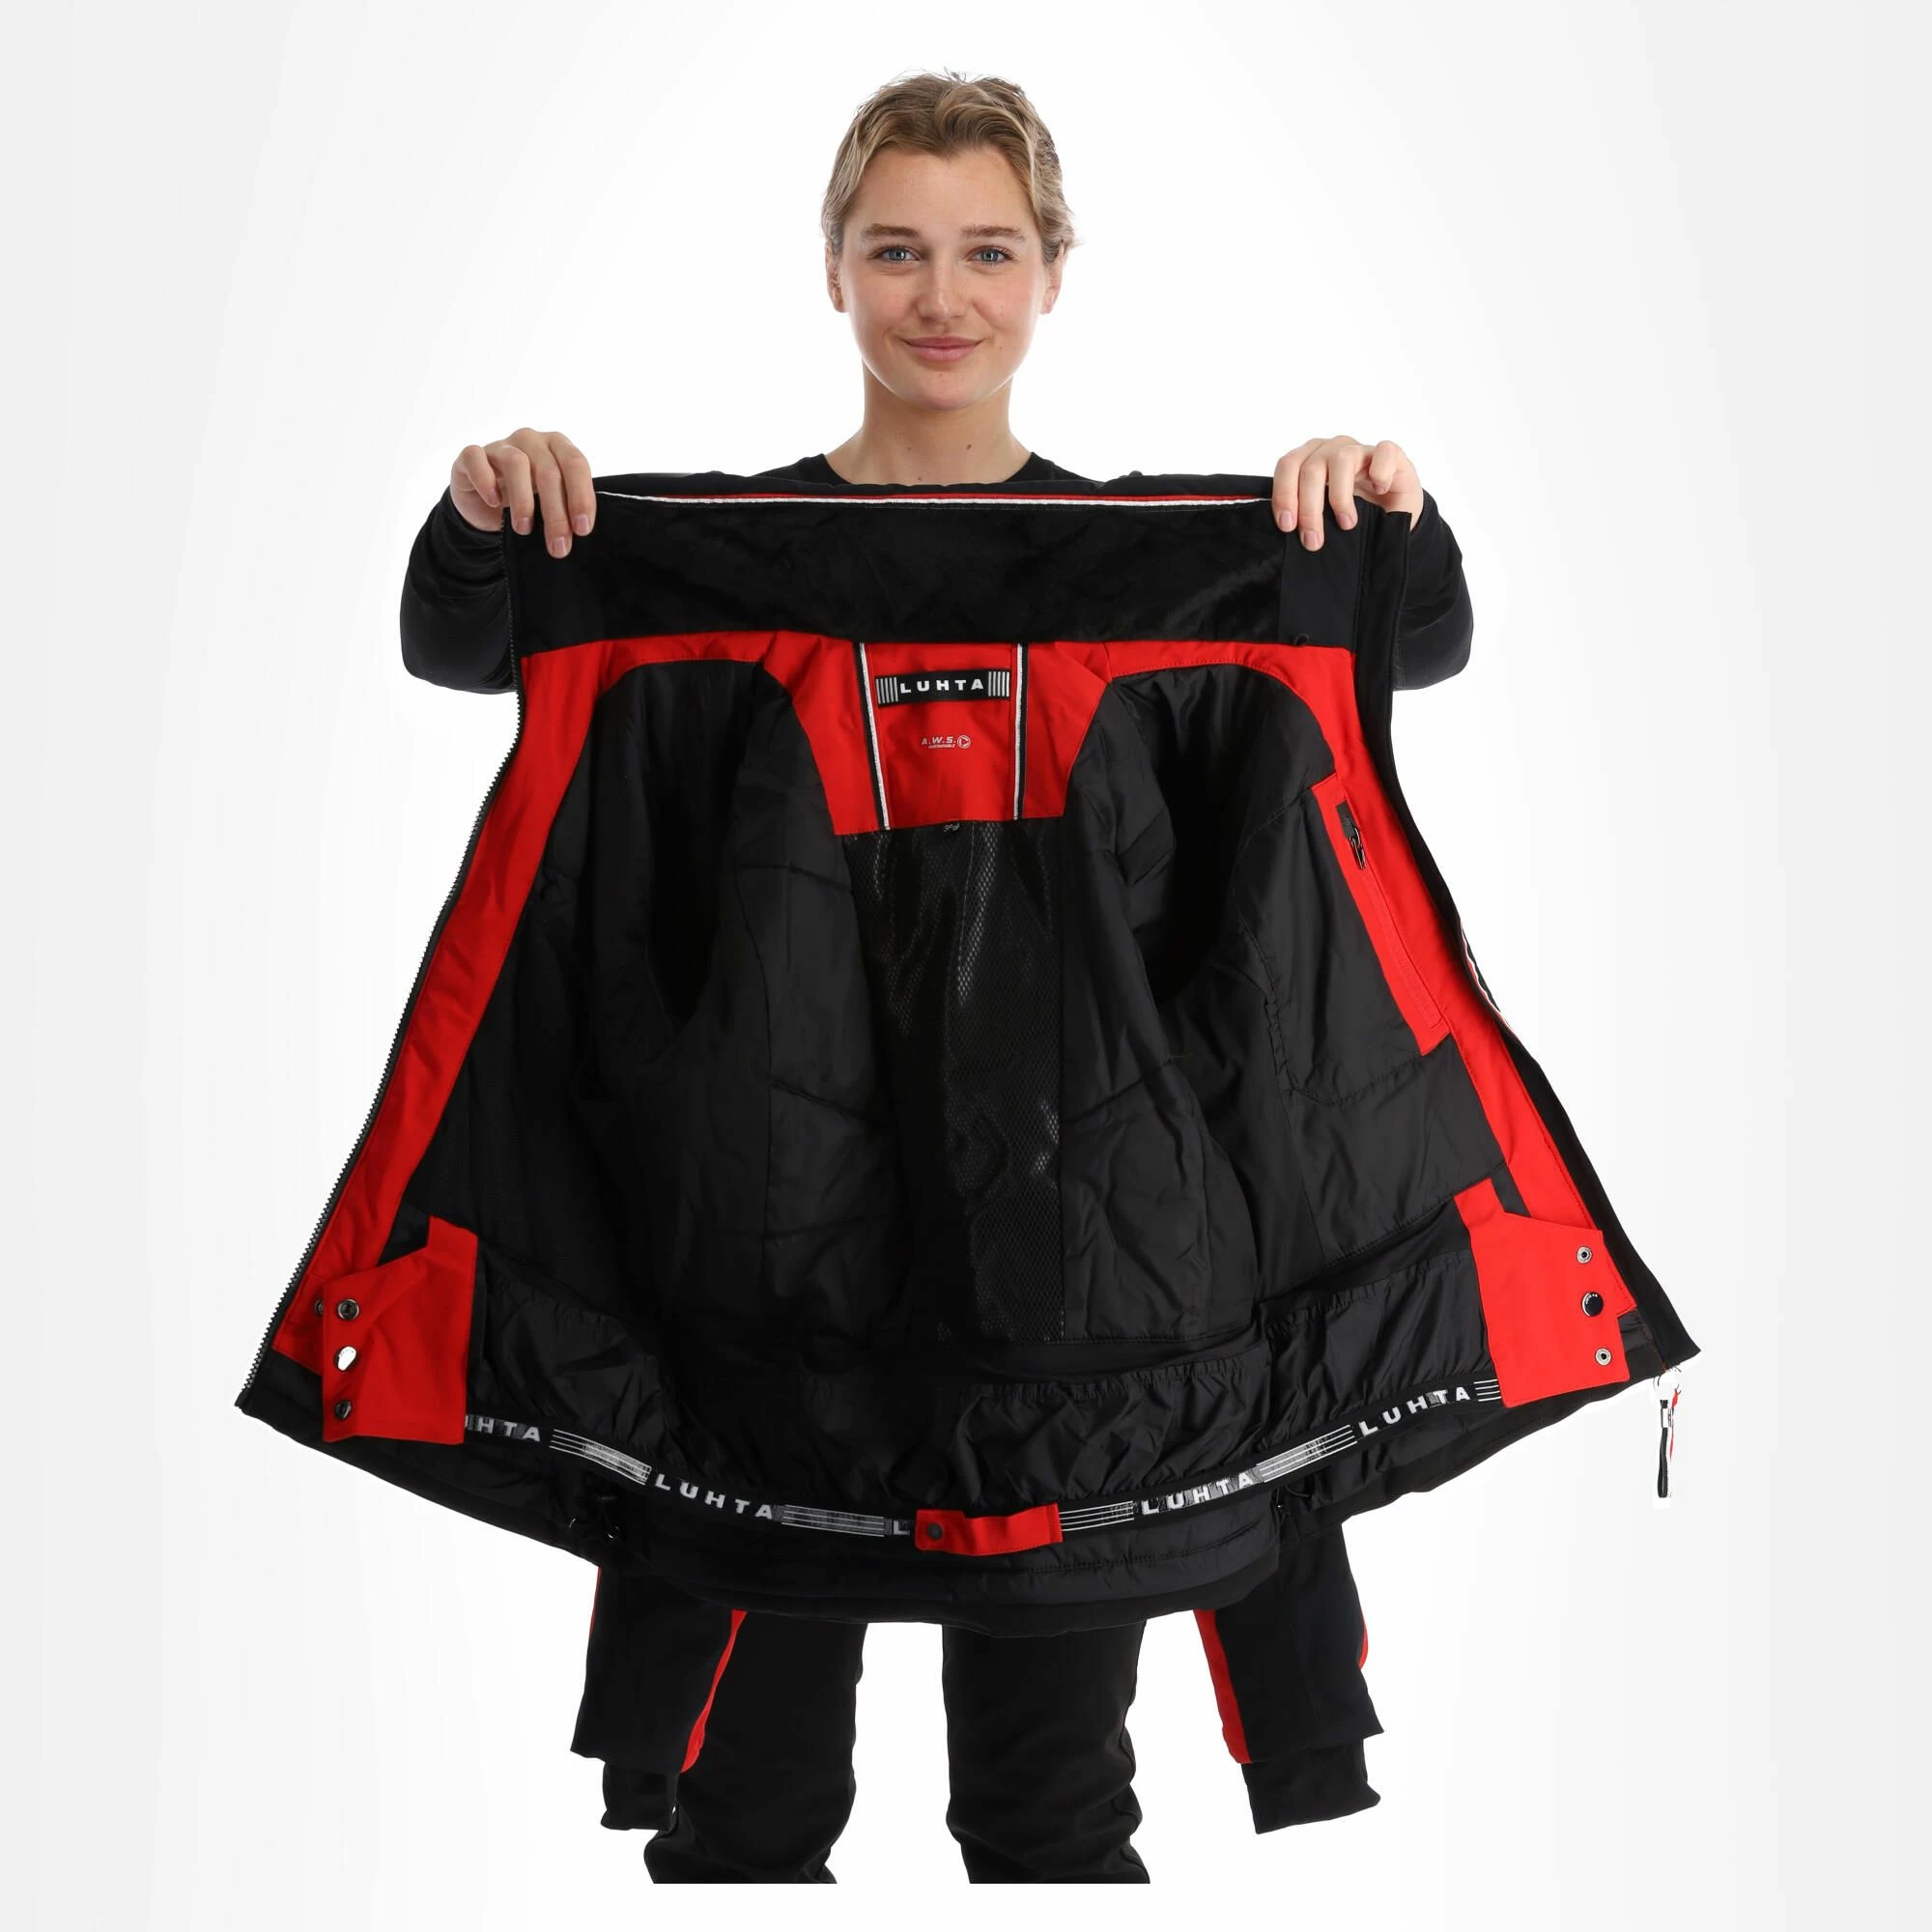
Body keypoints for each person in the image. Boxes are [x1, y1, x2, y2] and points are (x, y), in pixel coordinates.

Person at [395, 69, 1473, 1885]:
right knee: (746, 1823)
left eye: (986, 250)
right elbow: (462, 644)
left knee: (1053, 1821)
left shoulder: (1163, 563)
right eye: (896, 249)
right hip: (771, 1279)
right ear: (834, 269)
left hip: (1079, 1288)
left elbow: (1408, 649)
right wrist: (484, 514)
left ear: (1052, 272)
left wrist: (1384, 515)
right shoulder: (702, 556)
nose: (942, 295)